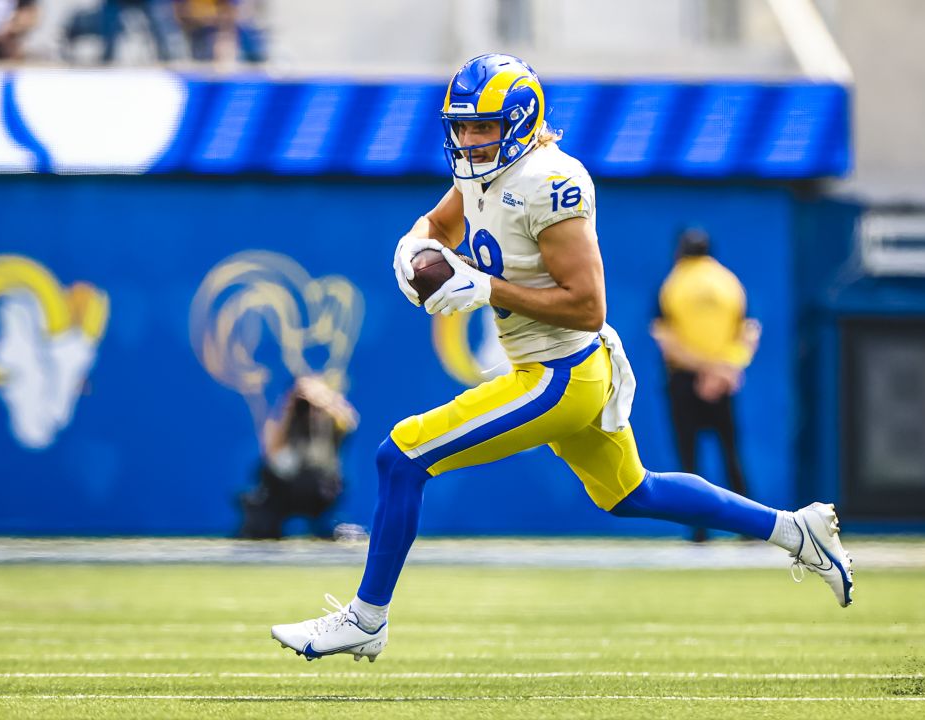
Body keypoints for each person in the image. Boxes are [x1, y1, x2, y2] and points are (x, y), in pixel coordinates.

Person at [271, 54, 854, 663]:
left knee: (402, 456)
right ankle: (795, 529)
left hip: (560, 372)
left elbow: (588, 308)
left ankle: (367, 620)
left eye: (483, 127)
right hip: (561, 369)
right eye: (462, 128)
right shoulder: (481, 171)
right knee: (633, 492)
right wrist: (412, 247)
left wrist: (486, 287)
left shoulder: (551, 182)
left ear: (520, 122)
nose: (469, 140)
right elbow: (439, 224)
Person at [651, 228, 762, 543]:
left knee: (690, 459)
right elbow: (749, 331)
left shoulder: (674, 284)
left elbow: (665, 338)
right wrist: (725, 369)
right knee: (731, 453)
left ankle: (698, 529)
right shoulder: (727, 282)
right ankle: (748, 527)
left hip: (686, 379)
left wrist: (701, 369)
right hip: (723, 380)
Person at [238, 375, 359, 540]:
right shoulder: (281, 422)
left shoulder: (331, 422)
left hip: (319, 490)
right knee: (260, 523)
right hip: (283, 489)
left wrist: (324, 402)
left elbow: (349, 422)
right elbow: (271, 454)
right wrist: (288, 409)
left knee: (333, 528)